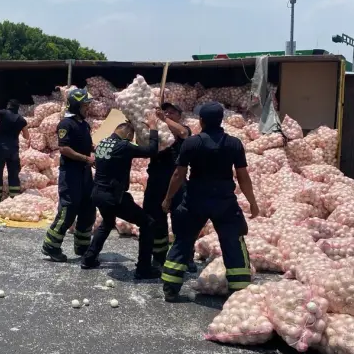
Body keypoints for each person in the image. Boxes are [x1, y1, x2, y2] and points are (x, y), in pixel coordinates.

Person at [160, 102, 259, 302]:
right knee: (233, 241)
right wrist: (252, 202)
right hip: (224, 201)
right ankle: (239, 292)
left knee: (183, 240)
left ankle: (171, 288)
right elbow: (243, 177)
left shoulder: (192, 143)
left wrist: (168, 198)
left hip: (195, 199)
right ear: (221, 120)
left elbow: (179, 174)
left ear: (202, 121)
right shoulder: (234, 144)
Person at [81, 116, 162, 279]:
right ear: (127, 136)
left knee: (107, 222)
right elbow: (152, 150)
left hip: (97, 193)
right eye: (131, 138)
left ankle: (88, 259)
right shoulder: (124, 146)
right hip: (112, 196)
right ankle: (144, 268)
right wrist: (153, 128)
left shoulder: (103, 142)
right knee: (148, 223)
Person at [41, 89, 96, 262]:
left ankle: (82, 246)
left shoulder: (84, 125)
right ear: (77, 105)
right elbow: (64, 149)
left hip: (85, 173)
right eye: (85, 105)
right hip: (71, 174)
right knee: (68, 209)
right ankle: (51, 246)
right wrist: (86, 158)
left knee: (88, 208)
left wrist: (96, 150)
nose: (88, 108)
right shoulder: (66, 124)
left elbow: (87, 145)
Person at [143, 103, 191, 267]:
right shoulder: (156, 131)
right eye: (165, 112)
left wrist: (164, 119)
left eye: (172, 112)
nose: (168, 114)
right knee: (156, 221)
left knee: (181, 221)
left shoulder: (183, 129)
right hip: (156, 181)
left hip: (177, 182)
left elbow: (183, 133)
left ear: (179, 116)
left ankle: (186, 258)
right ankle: (159, 256)